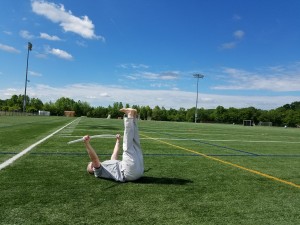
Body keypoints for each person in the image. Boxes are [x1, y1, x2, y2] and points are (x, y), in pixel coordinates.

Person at [83, 108, 144, 182]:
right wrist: (87, 144)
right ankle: (129, 115)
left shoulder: (107, 164)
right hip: (128, 173)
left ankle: (133, 116)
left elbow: (114, 155)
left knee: (136, 142)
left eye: (91, 164)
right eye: (92, 166)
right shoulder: (98, 172)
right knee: (127, 147)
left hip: (137, 171)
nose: (93, 165)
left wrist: (118, 141)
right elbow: (94, 159)